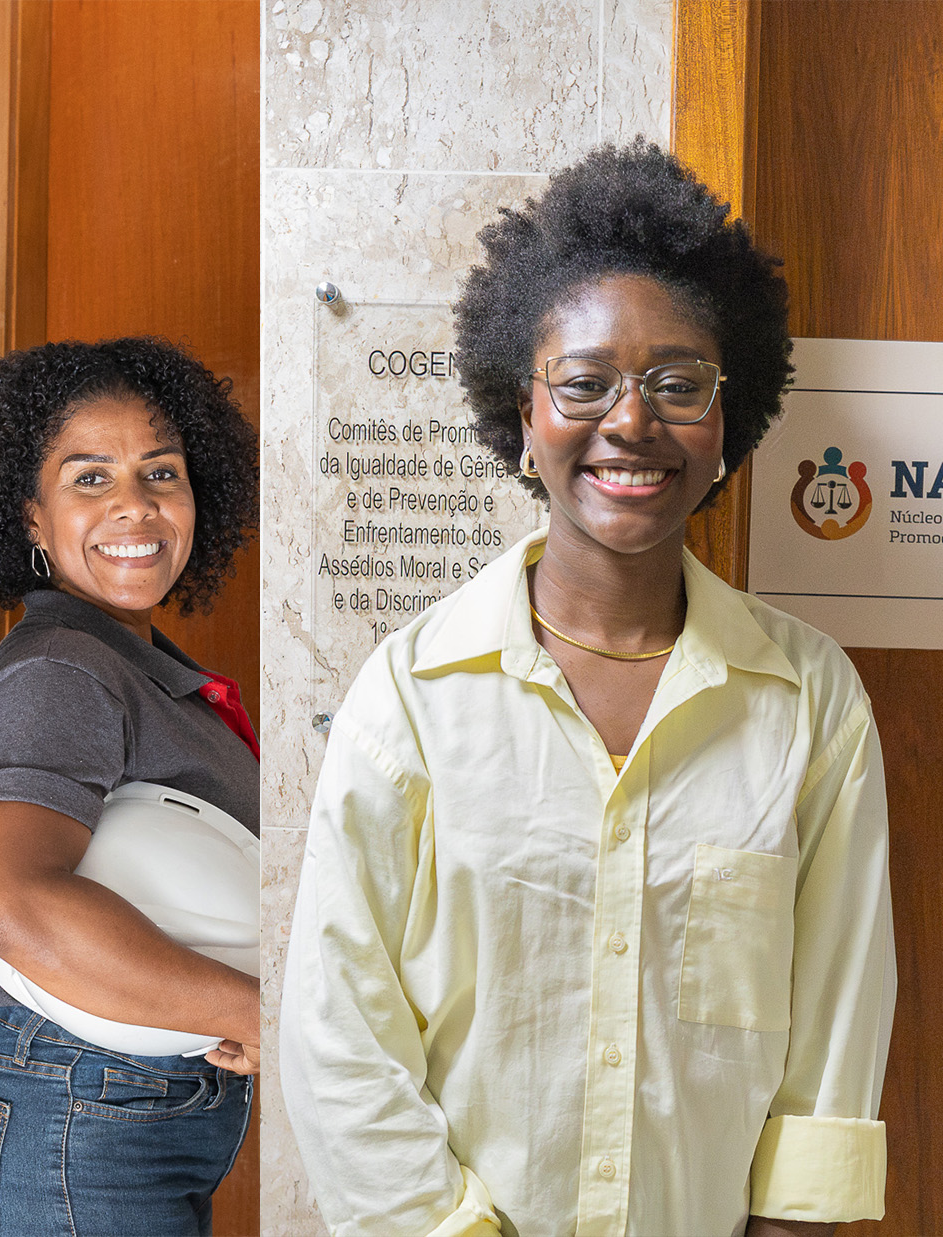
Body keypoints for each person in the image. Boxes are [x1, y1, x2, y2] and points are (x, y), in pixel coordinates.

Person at [280, 140, 895, 1237]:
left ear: (726, 419)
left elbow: (837, 1018)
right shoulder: (413, 694)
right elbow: (338, 1031)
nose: (629, 421)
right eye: (583, 382)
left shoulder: (807, 700)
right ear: (520, 416)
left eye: (676, 383)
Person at [0, 337, 261, 1236]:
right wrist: (255, 1011)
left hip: (109, 1116)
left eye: (161, 472)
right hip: (72, 1128)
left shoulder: (130, 659)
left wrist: (209, 1001)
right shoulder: (62, 671)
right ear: (30, 516)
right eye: (89, 479)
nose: (135, 506)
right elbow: (9, 903)